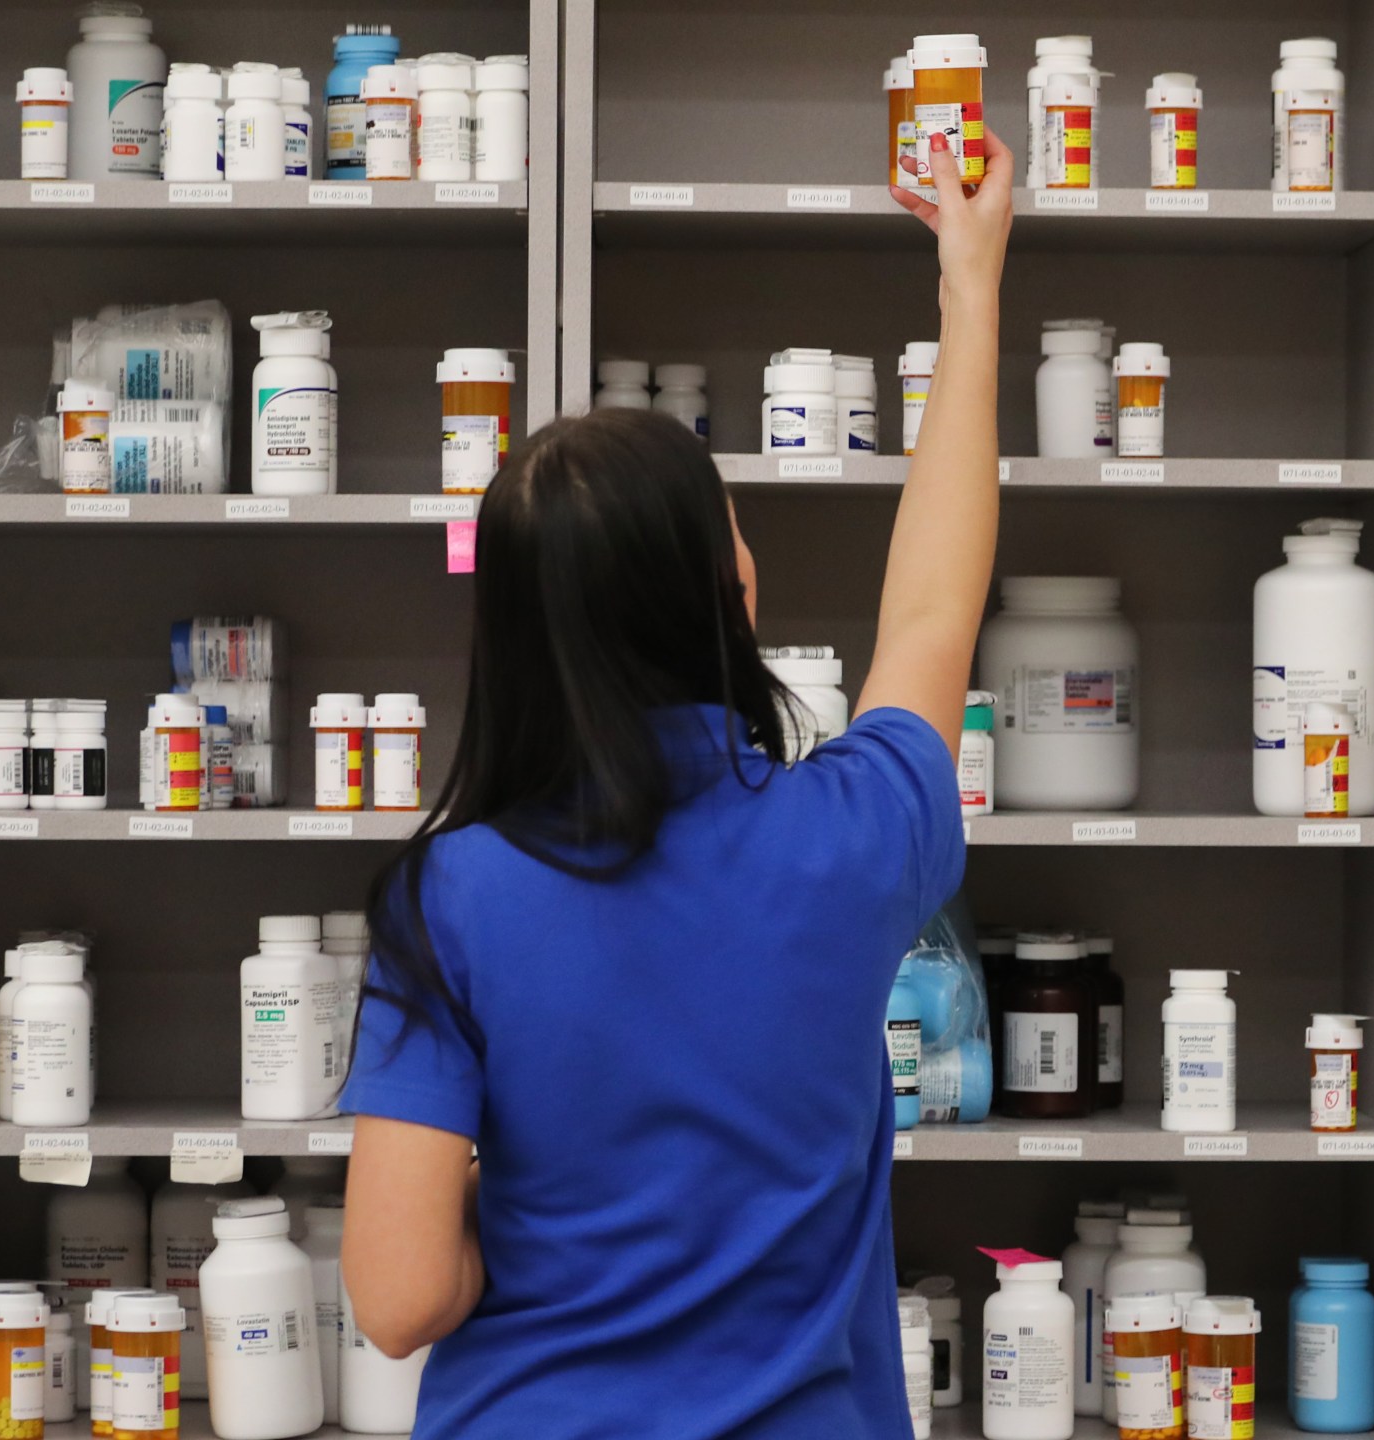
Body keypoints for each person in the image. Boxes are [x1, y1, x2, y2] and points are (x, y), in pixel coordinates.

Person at [337, 126, 1015, 1439]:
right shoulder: (856, 836)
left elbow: (400, 1298)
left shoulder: (451, 898)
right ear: (735, 592)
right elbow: (933, 609)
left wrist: (525, 1237)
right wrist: (970, 284)